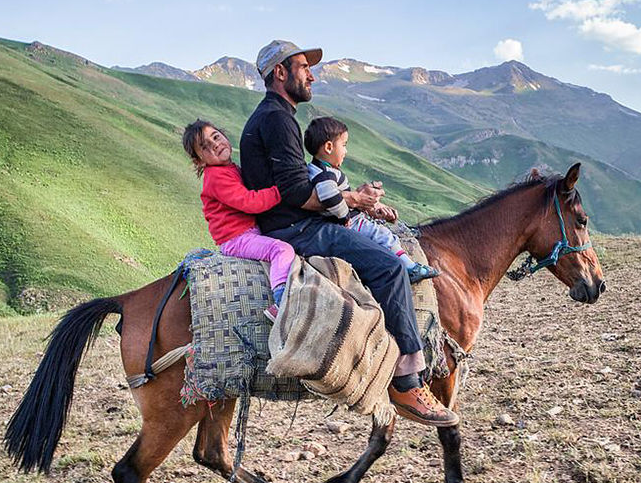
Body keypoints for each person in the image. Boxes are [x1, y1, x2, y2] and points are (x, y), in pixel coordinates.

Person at [239, 40, 458, 428]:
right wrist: (353, 200)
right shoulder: (277, 118)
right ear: (280, 73)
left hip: (297, 222)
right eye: (304, 67)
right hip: (297, 229)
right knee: (389, 268)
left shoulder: (276, 115)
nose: (311, 74)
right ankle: (407, 380)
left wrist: (357, 203)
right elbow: (296, 192)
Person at [303, 116, 440, 284]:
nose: (346, 151)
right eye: (344, 145)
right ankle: (408, 266)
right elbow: (328, 197)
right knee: (382, 234)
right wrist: (344, 216)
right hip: (345, 223)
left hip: (338, 221)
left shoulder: (316, 170)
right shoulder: (326, 174)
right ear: (329, 147)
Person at [183, 119, 294, 320]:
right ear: (199, 161)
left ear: (224, 136)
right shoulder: (216, 177)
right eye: (205, 147)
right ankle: (281, 302)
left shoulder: (230, 168)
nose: (215, 144)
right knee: (282, 249)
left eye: (216, 137)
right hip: (237, 238)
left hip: (245, 232)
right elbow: (249, 202)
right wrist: (282, 190)